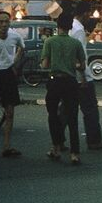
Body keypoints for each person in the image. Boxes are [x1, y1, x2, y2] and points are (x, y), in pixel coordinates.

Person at [41, 12, 85, 165]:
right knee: (72, 118)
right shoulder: (76, 43)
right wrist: (71, 64)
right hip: (71, 82)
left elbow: (45, 65)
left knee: (53, 116)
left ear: (57, 25)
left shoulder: (49, 42)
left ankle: (56, 147)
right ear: (70, 26)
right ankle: (75, 153)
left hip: (54, 82)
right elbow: (82, 66)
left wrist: (56, 62)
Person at [0, 9, 24, 158]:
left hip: (8, 74)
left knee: (10, 112)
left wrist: (15, 63)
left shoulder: (15, 36)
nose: (4, 25)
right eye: (1, 22)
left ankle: (7, 146)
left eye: (6, 21)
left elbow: (22, 48)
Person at [70, 9, 102, 151]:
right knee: (90, 109)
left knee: (66, 110)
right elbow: (80, 54)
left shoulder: (71, 27)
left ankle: (58, 142)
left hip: (70, 75)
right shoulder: (79, 30)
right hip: (81, 76)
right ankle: (94, 140)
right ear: (84, 14)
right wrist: (84, 77)